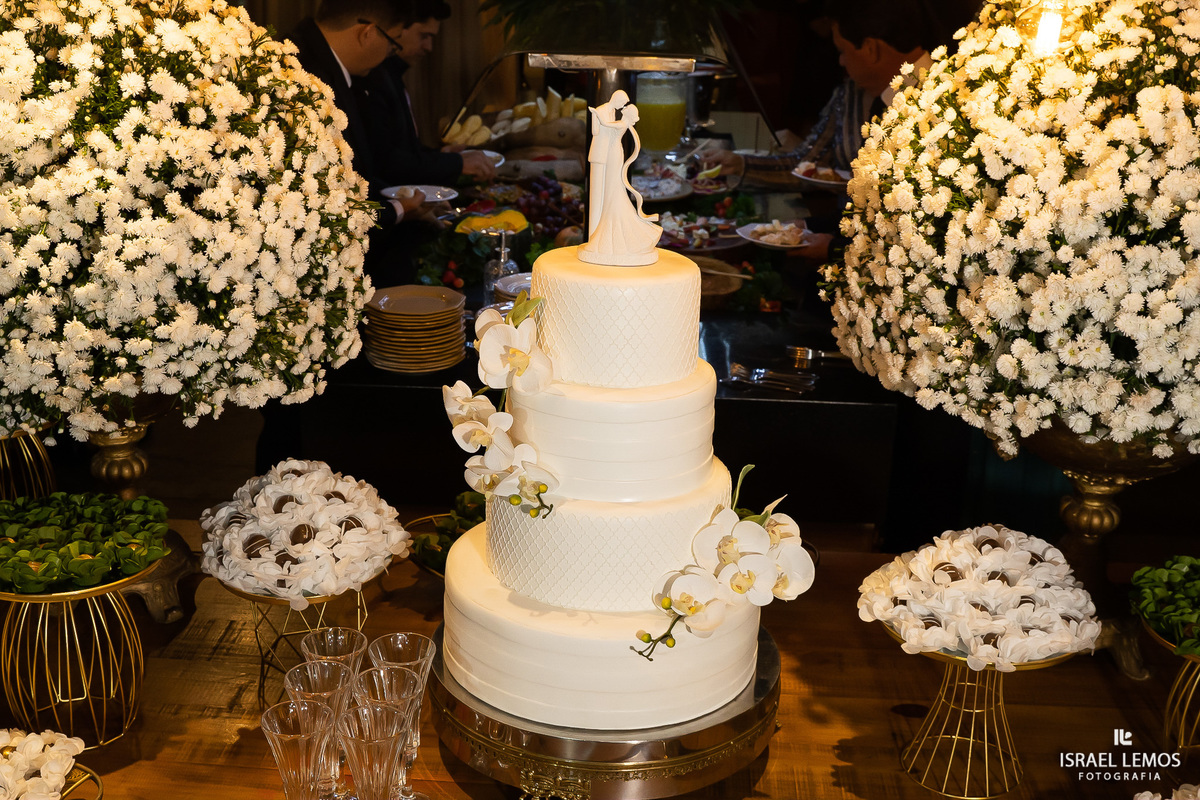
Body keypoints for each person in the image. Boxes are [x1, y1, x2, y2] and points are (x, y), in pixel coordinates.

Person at [289, 1, 428, 231]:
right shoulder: (307, 76)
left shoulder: (315, 56)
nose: (388, 55)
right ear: (368, 33)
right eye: (392, 44)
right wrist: (398, 210)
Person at [362, 0, 497, 186]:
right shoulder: (374, 76)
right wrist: (454, 163)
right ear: (399, 28)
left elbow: (403, 149)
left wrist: (440, 156)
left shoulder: (391, 74)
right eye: (424, 36)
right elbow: (386, 162)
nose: (429, 47)